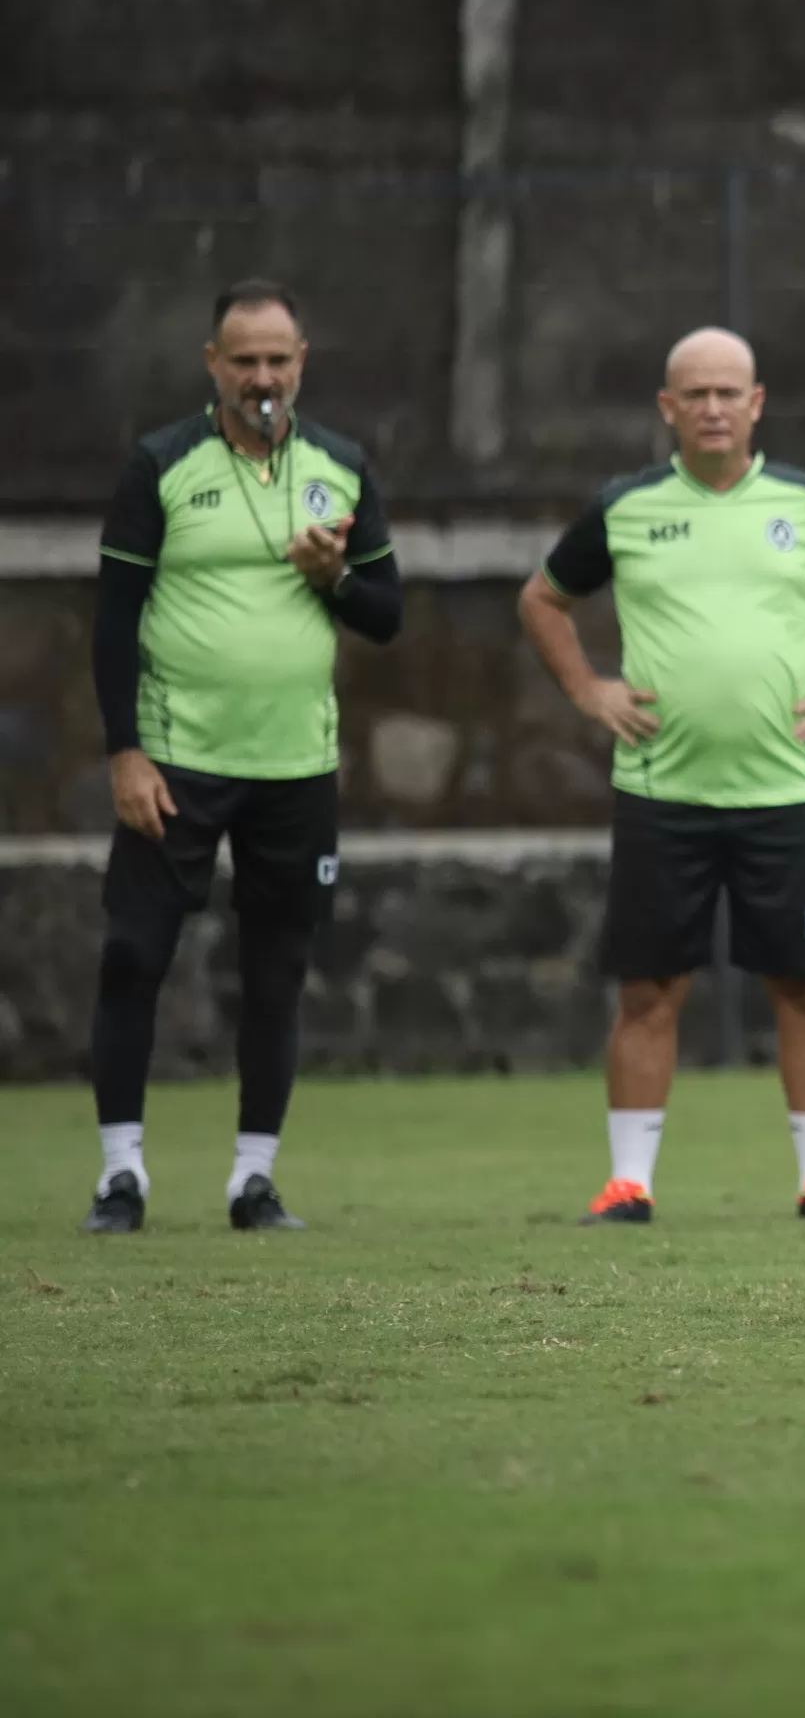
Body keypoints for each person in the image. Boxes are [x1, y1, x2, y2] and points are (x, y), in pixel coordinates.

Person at [518, 328, 805, 1225]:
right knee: (649, 988)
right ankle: (629, 1183)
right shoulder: (625, 508)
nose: (711, 408)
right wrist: (589, 691)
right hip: (661, 792)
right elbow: (542, 598)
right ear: (667, 408)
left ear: (756, 404)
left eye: (726, 393)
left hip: (782, 794)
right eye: (693, 394)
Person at [81, 278, 402, 1233]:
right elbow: (111, 619)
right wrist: (124, 753)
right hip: (178, 764)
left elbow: (386, 616)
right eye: (244, 360)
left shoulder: (342, 466)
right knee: (135, 956)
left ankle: (253, 1180)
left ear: (302, 363)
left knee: (277, 970)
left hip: (296, 769)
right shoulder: (162, 465)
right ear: (212, 365)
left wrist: (332, 575)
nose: (262, 377)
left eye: (278, 359)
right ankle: (120, 1176)